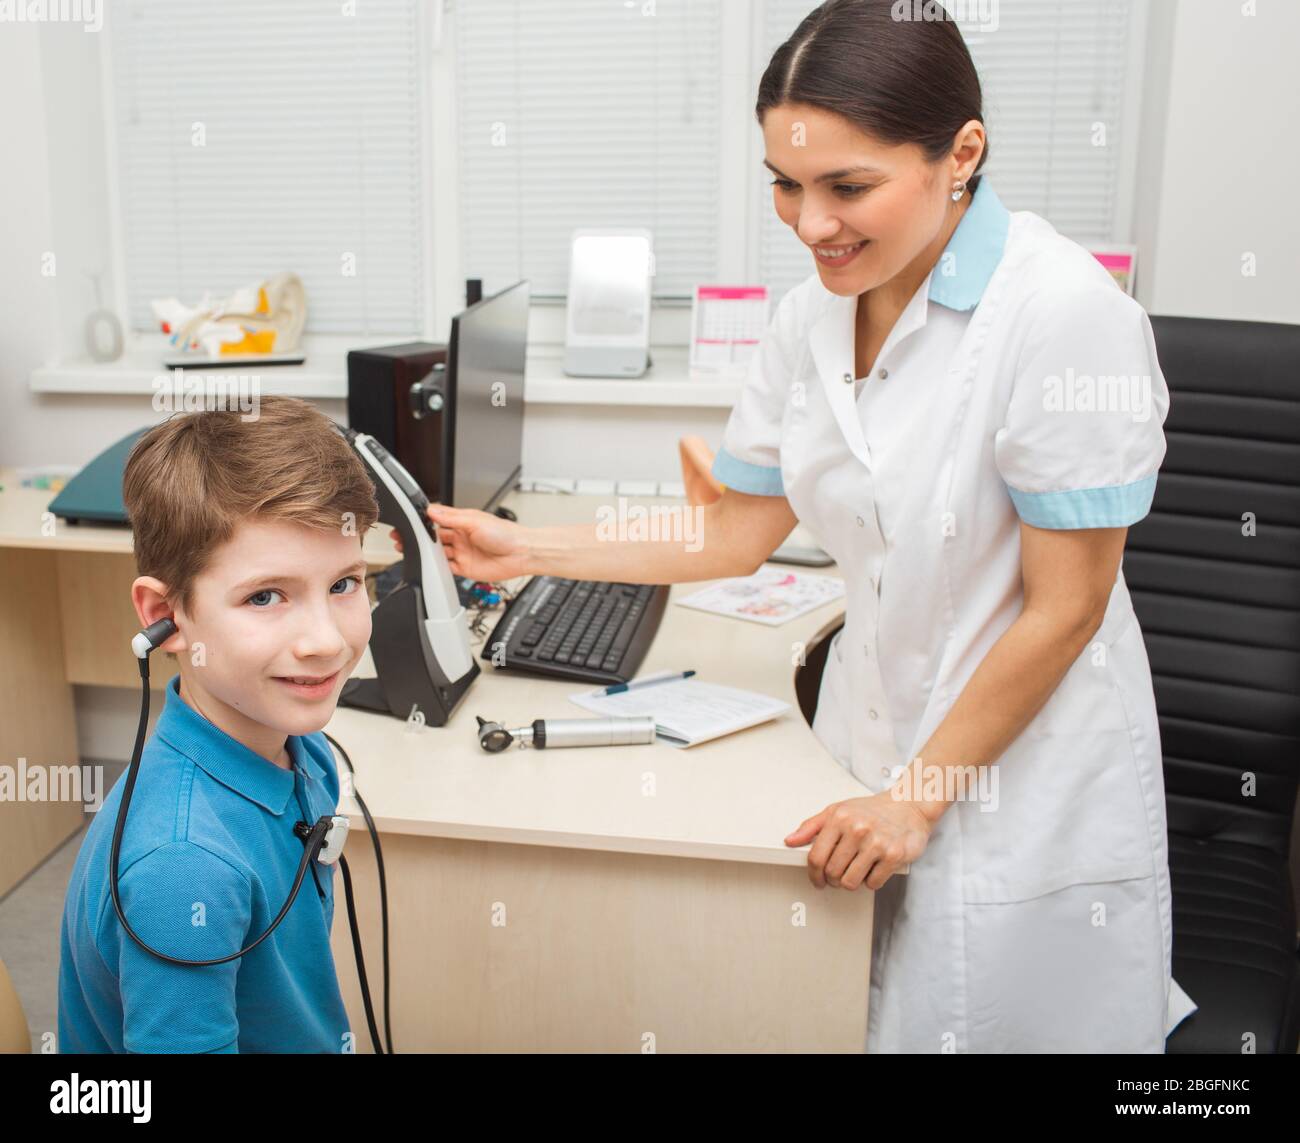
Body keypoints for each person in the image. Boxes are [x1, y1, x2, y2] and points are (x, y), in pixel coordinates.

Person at [410, 0, 1195, 1051]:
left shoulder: (1062, 315)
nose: (809, 222)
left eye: (847, 187)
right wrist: (533, 548)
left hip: (1024, 769)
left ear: (961, 153)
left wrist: (916, 801)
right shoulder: (809, 316)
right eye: (786, 183)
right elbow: (735, 535)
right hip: (865, 741)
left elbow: (1065, 612)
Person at [57, 396, 377, 1052]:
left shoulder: (297, 748)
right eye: (266, 595)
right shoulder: (183, 866)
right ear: (165, 615)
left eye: (344, 583)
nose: (324, 640)